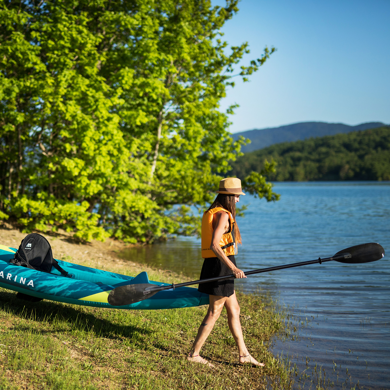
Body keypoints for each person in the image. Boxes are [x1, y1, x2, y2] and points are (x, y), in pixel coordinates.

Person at [187, 177, 264, 368]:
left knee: (234, 309)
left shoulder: (214, 212)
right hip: (220, 266)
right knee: (214, 311)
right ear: (229, 196)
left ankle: (243, 354)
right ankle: (194, 354)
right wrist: (233, 268)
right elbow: (214, 245)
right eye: (237, 196)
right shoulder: (222, 215)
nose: (238, 199)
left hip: (219, 264)